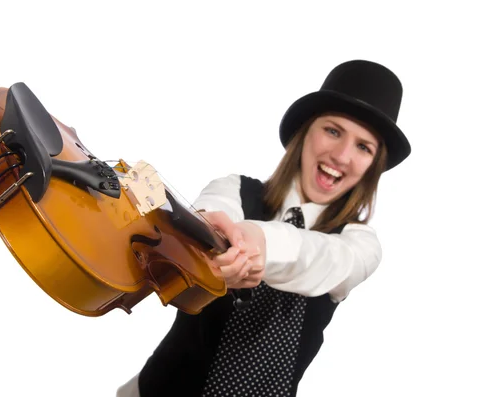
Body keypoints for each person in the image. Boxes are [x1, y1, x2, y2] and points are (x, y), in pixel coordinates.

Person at [116, 59, 411, 397]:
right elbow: (214, 212)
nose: (342, 156)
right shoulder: (233, 189)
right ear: (305, 133)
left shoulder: (359, 245)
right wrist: (207, 236)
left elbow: (314, 256)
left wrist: (254, 241)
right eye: (333, 130)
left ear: (373, 166)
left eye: (363, 147)